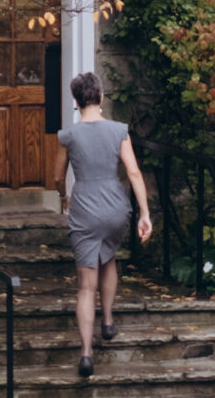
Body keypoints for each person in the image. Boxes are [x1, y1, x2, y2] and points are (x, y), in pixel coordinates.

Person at [58, 70, 151, 380]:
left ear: (76, 101)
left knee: (86, 286)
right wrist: (144, 213)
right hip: (114, 207)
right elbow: (134, 172)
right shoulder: (118, 131)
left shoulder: (68, 136)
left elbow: (57, 176)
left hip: (85, 207)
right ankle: (108, 321)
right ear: (100, 97)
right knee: (108, 256)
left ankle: (86, 353)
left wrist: (63, 196)